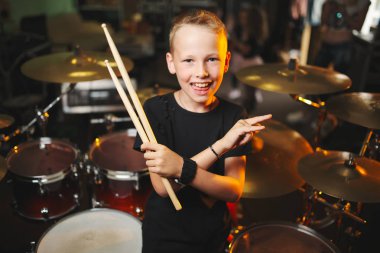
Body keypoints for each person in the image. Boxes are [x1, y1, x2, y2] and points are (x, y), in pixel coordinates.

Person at [134, 9, 272, 253]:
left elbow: (233, 190)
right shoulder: (154, 110)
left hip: (212, 232)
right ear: (171, 63)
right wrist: (219, 147)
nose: (201, 72)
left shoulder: (234, 116)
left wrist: (180, 168)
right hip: (164, 234)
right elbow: (164, 188)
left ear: (227, 61)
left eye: (212, 59)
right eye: (188, 60)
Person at [227, 5, 269, 112]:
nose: (242, 20)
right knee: (236, 76)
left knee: (250, 88)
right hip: (240, 58)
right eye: (241, 17)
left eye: (245, 18)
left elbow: (246, 51)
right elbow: (234, 46)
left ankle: (249, 105)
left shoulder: (256, 34)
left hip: (251, 62)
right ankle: (238, 92)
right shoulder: (239, 29)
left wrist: (232, 36)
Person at [314, 0, 370, 74]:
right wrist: (327, 9)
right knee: (316, 75)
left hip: (343, 46)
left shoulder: (362, 2)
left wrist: (344, 13)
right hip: (326, 43)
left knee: (339, 78)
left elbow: (358, 27)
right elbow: (323, 22)